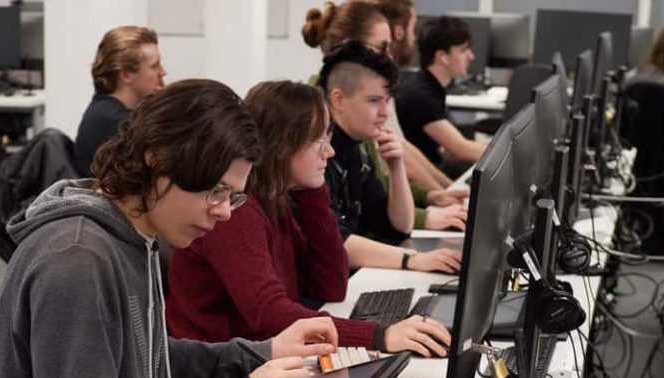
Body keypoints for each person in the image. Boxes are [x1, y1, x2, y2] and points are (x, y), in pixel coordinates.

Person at [0, 79, 339, 378]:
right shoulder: (75, 261)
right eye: (215, 190)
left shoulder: (135, 236)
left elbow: (145, 356)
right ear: (158, 160)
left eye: (233, 195)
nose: (225, 211)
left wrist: (261, 355)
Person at [167, 80, 451, 358]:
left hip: (255, 358)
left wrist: (314, 194)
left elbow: (330, 285)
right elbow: (269, 313)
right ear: (281, 145)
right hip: (216, 372)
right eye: (318, 141)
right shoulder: (236, 213)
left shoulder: (275, 200)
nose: (330, 152)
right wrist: (380, 336)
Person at [303, 1, 468, 231]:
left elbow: (379, 189)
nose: (388, 56)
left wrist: (432, 195)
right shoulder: (318, 121)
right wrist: (421, 227)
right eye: (382, 47)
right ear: (352, 48)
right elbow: (336, 233)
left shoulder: (358, 127)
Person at [319, 40, 462, 273]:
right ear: (338, 99)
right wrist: (411, 259)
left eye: (387, 101)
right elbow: (334, 241)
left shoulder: (356, 149)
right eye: (374, 101)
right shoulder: (318, 154)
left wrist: (396, 167)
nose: (385, 113)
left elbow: (398, 226)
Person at [395, 16, 489, 168]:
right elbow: (461, 149)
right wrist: (512, 155)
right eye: (463, 50)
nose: (471, 57)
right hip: (426, 176)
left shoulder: (427, 86)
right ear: (443, 57)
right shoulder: (421, 96)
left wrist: (497, 145)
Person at [73, 25, 166, 176]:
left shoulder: (105, 109)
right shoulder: (114, 121)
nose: (163, 72)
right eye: (154, 66)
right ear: (126, 75)